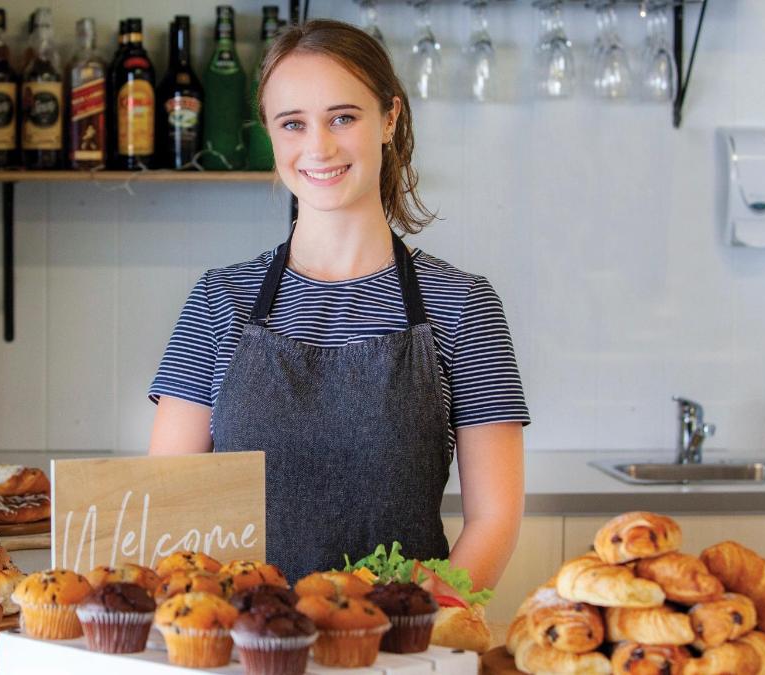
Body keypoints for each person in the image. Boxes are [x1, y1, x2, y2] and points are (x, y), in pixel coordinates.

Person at [148, 19, 528, 591]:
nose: (318, 147)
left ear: (389, 119)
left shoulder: (463, 303)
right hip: (247, 644)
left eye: (343, 118)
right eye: (293, 123)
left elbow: (495, 521)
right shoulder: (218, 299)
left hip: (402, 646)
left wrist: (414, 631)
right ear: (272, 135)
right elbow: (167, 509)